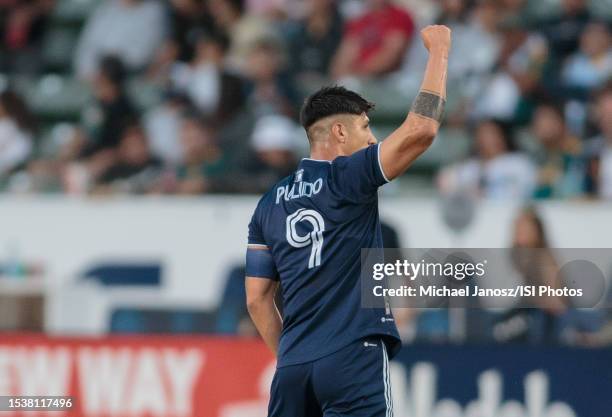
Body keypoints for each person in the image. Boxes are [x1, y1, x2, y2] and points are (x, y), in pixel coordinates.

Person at [245, 25, 451, 416]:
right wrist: (439, 49)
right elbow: (421, 130)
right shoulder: (348, 177)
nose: (372, 139)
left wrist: (292, 356)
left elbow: (257, 299)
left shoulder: (268, 204)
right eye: (365, 127)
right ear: (339, 132)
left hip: (292, 370)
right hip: (352, 358)